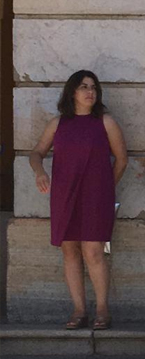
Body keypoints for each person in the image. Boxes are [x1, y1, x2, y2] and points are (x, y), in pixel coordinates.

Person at [29, 70, 128, 331]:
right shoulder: (57, 123)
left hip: (96, 196)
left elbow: (122, 159)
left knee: (93, 251)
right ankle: (79, 309)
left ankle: (103, 309)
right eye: (84, 86)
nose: (90, 92)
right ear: (72, 91)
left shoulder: (106, 122)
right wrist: (40, 172)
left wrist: (105, 187)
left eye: (94, 87)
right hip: (64, 195)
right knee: (69, 250)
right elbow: (36, 152)